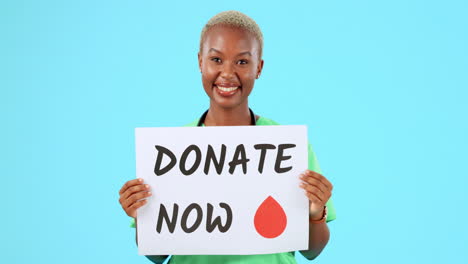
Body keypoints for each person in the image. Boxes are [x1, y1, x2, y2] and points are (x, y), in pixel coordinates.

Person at [118, 10, 336, 264]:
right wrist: (141, 216)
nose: (228, 73)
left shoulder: (288, 147)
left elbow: (312, 251)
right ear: (200, 62)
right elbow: (157, 255)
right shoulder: (170, 152)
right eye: (216, 60)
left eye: (242, 62)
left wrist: (316, 212)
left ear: (259, 68)